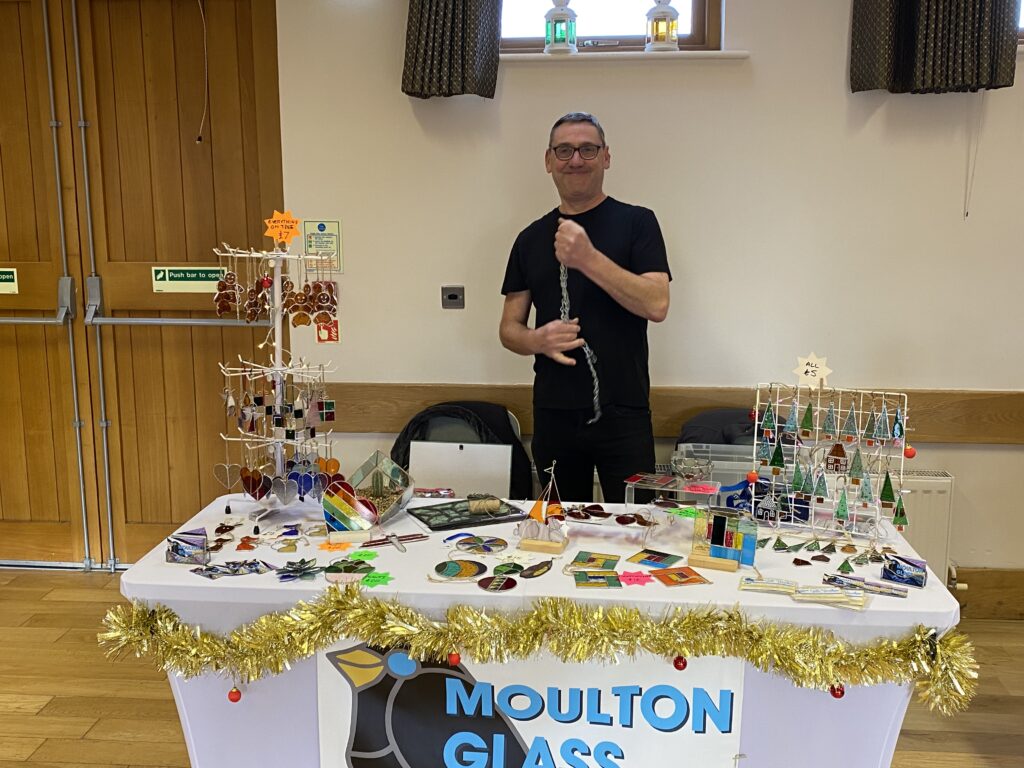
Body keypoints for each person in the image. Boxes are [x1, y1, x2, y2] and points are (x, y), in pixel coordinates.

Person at [499, 112, 671, 504]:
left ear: (606, 156)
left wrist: (588, 258)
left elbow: (657, 303)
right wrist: (537, 340)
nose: (575, 159)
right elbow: (509, 327)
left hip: (624, 411)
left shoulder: (638, 223)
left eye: (587, 149)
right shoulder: (529, 238)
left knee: (637, 523)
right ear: (549, 161)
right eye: (564, 150)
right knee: (559, 525)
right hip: (554, 413)